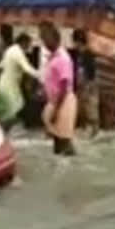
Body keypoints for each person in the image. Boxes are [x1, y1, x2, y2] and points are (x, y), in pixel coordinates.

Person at [39, 22, 78, 156]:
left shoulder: (62, 58)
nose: (44, 43)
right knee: (57, 138)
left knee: (64, 140)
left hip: (63, 100)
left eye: (46, 39)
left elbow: (64, 85)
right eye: (43, 39)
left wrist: (56, 108)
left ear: (56, 39)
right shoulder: (54, 56)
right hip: (56, 100)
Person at [0, 33, 39, 125]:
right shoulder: (17, 52)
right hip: (10, 84)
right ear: (23, 42)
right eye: (29, 43)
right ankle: (8, 126)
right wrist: (41, 76)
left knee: (14, 104)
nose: (29, 46)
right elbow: (27, 68)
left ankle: (9, 124)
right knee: (16, 105)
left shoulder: (10, 50)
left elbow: (0, 66)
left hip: (6, 81)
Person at [71, 29, 99, 137]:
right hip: (82, 84)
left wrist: (86, 85)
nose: (74, 44)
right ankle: (85, 130)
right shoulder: (79, 53)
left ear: (78, 41)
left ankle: (94, 131)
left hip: (89, 84)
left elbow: (91, 72)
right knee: (82, 108)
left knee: (90, 108)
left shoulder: (88, 53)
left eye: (74, 41)